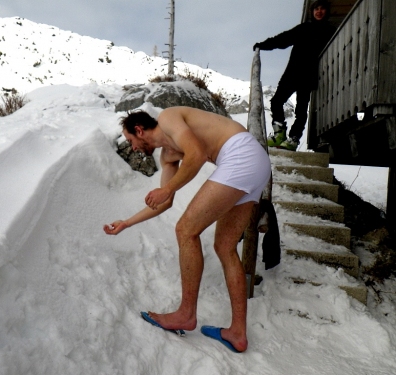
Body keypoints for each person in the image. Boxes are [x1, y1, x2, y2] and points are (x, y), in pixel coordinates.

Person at [103, 106, 271, 353]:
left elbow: (197, 153)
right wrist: (127, 222)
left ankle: (185, 314)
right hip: (255, 165)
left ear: (139, 130)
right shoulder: (167, 156)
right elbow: (164, 202)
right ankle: (237, 333)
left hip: (241, 155)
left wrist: (168, 188)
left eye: (131, 141)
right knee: (224, 247)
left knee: (185, 230)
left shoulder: (168, 118)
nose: (134, 148)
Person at [254, 0, 336, 151]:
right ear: (312, 12)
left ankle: (293, 139)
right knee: (276, 101)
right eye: (316, 9)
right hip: (292, 73)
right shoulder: (303, 29)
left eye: (322, 9)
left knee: (300, 110)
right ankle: (279, 134)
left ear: (326, 12)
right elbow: (283, 39)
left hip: (309, 76)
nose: (319, 11)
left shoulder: (331, 32)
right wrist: (264, 45)